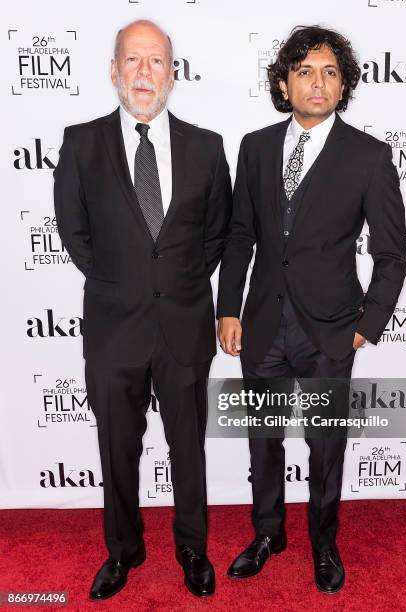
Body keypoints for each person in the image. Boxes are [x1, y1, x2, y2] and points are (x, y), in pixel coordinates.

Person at [217, 25, 406, 594]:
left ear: (342, 83)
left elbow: (391, 256)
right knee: (263, 441)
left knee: (325, 448)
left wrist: (365, 328)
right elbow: (239, 236)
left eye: (329, 72)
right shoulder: (254, 147)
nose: (317, 83)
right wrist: (229, 311)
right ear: (284, 84)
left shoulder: (369, 157)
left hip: (330, 331)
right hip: (261, 325)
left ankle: (324, 544)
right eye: (304, 72)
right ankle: (268, 534)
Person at [54, 19, 231, 600]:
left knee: (188, 448)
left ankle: (192, 548)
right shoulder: (81, 143)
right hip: (113, 326)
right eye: (133, 60)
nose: (145, 73)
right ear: (114, 71)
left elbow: (216, 237)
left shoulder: (207, 147)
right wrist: (122, 284)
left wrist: (174, 285)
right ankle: (123, 551)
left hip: (182, 326)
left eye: (157, 61)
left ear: (173, 74)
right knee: (117, 449)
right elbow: (75, 235)